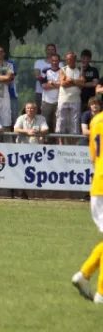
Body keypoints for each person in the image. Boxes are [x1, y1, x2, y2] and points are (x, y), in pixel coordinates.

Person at [71, 107, 103, 304]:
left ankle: (85, 277)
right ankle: (99, 292)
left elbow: (93, 156)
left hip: (98, 183)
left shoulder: (96, 120)